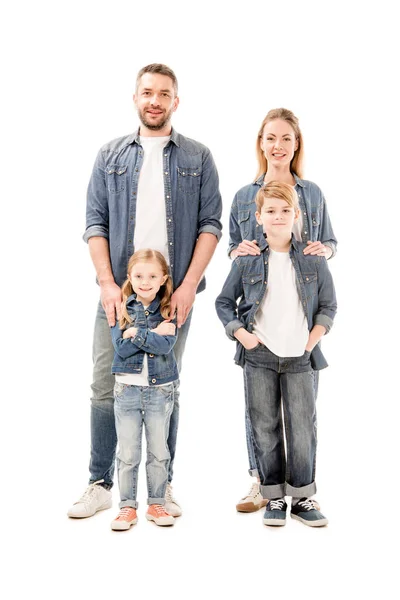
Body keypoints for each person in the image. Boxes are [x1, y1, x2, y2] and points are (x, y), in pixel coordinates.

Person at [67, 63, 222, 519]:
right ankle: (99, 483)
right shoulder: (110, 155)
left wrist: (190, 285)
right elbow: (95, 222)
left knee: (166, 387)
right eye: (147, 92)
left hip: (175, 298)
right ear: (135, 98)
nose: (155, 100)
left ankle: (162, 486)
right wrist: (107, 284)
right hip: (120, 295)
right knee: (104, 386)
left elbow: (210, 224)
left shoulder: (198, 157)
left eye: (164, 93)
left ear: (176, 101)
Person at [229, 108, 337, 512]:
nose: (278, 146)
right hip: (260, 316)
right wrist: (237, 251)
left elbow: (329, 242)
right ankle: (262, 481)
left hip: (300, 320)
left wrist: (322, 251)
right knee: (260, 410)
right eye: (271, 137)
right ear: (261, 142)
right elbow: (237, 253)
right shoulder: (244, 196)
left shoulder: (312, 194)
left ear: (296, 144)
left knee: (300, 411)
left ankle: (301, 492)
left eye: (286, 138)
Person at [110, 249, 178, 530]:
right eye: (138, 276)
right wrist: (153, 334)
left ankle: (156, 502)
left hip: (159, 391)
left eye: (152, 276)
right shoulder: (121, 307)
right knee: (127, 452)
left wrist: (135, 333)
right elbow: (121, 349)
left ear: (163, 278)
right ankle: (127, 507)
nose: (145, 281)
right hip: (127, 389)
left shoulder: (169, 309)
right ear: (130, 277)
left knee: (159, 452)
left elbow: (166, 346)